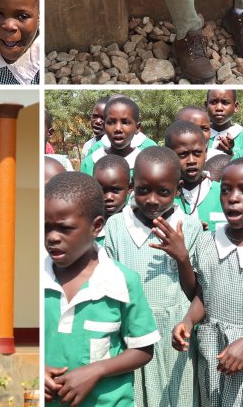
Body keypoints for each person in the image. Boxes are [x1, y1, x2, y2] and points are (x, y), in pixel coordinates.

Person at [172, 158, 243, 407]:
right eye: (226, 190)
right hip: (213, 353)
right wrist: (188, 320)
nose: (233, 198)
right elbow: (203, 295)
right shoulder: (206, 242)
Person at [44, 171, 157, 407]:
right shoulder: (37, 279)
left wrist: (96, 370)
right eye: (46, 227)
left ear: (96, 227)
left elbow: (143, 349)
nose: (52, 237)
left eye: (65, 228)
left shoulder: (121, 282)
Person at [103, 145, 201, 407]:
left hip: (176, 331)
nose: (152, 200)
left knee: (177, 397)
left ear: (178, 188)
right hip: (132, 333)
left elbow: (196, 293)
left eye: (164, 192)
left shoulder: (189, 226)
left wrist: (182, 257)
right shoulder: (116, 226)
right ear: (133, 185)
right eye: (143, 190)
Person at [167, 119, 223, 233]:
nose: (191, 161)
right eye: (183, 154)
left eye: (197, 153)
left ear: (206, 152)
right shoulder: (161, 197)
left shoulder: (223, 193)